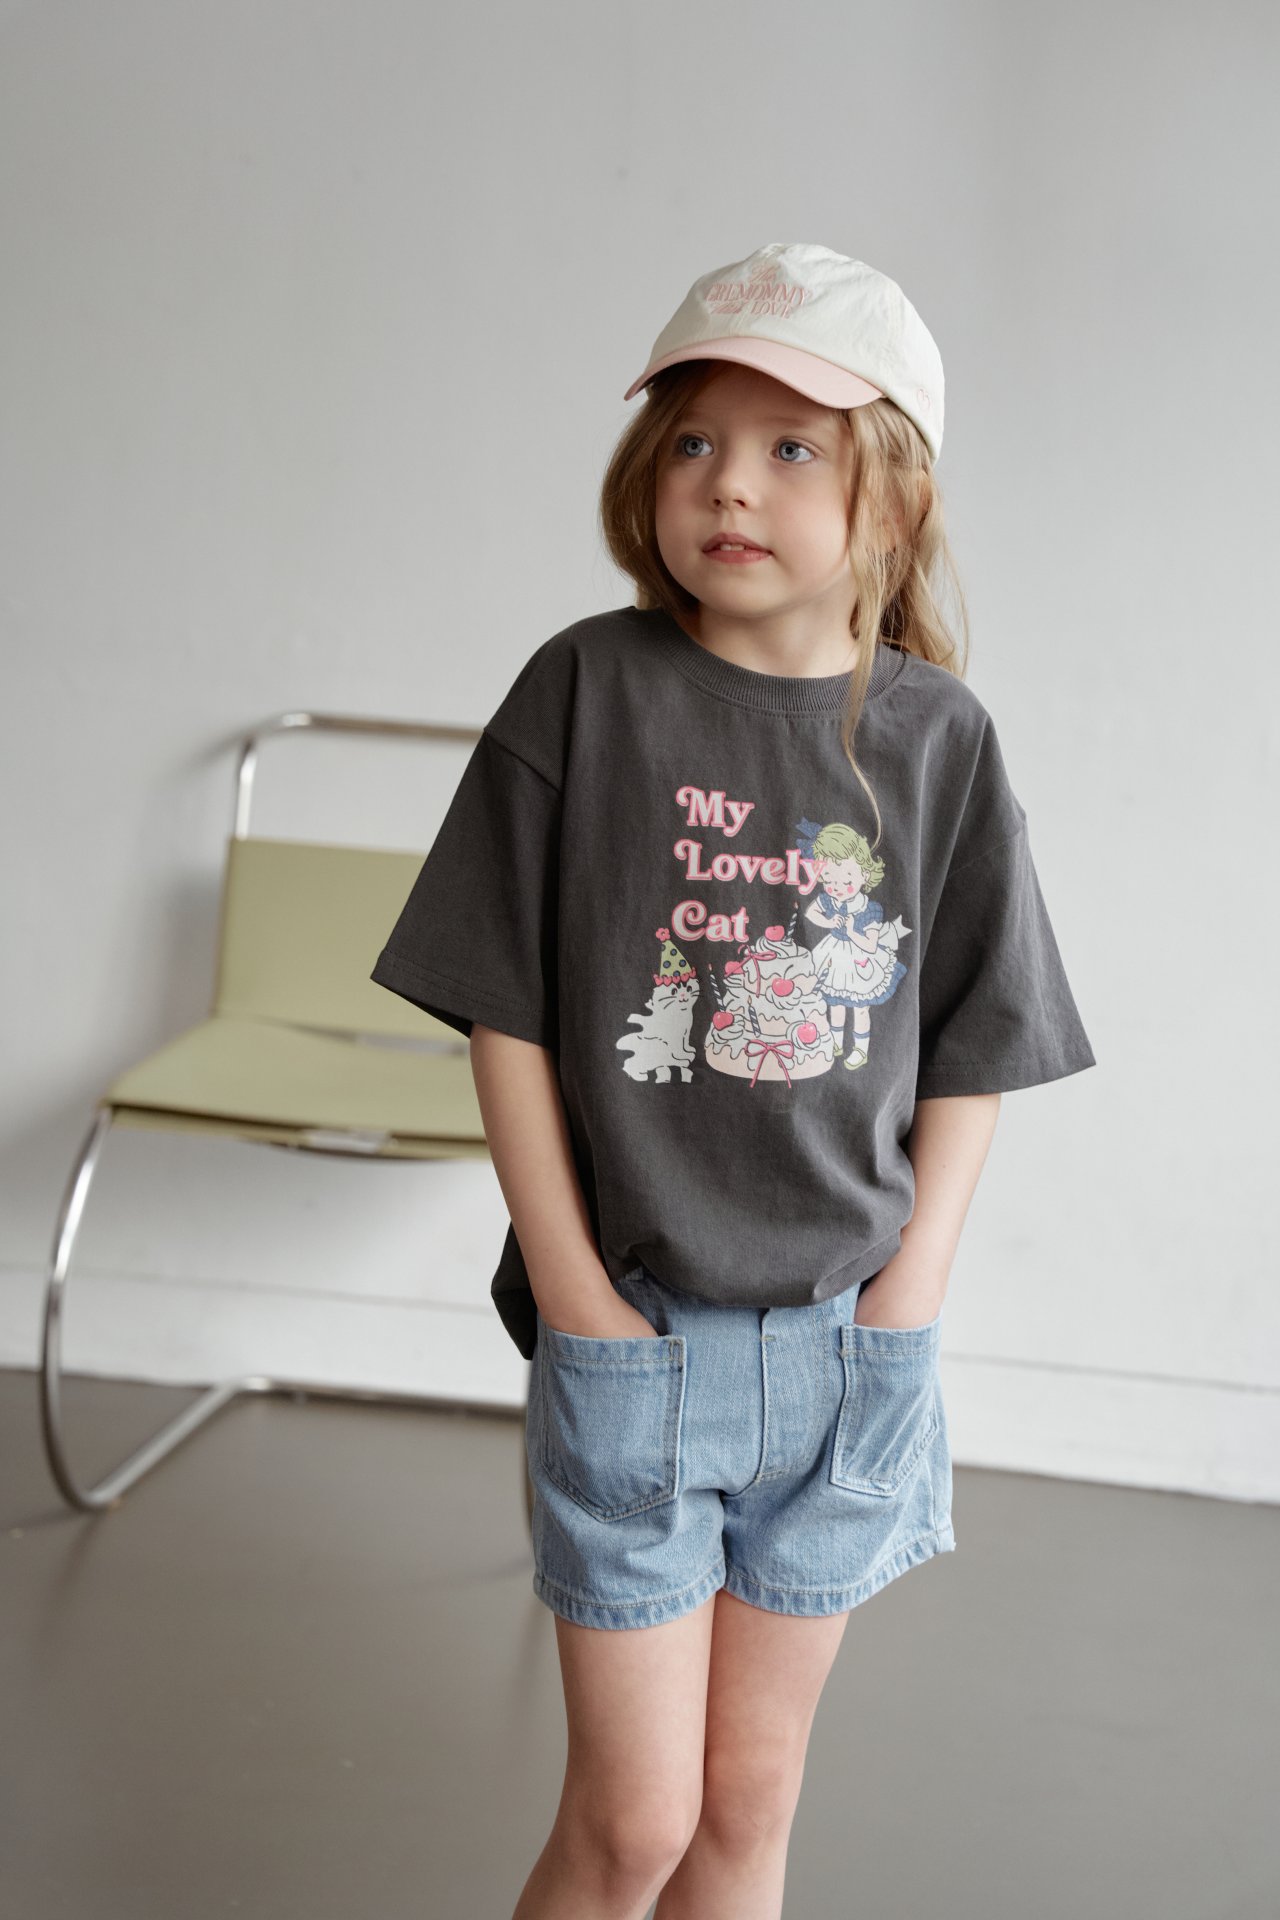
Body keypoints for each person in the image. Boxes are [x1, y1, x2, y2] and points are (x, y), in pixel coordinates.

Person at [370, 241, 1096, 1920]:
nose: (729, 484)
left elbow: (976, 1042)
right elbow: (503, 1014)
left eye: (791, 448)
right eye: (694, 438)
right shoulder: (585, 692)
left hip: (848, 1349)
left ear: (893, 497)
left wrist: (910, 1298)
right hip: (630, 1333)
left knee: (745, 1811)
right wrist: (575, 1293)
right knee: (633, 1825)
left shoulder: (939, 741)